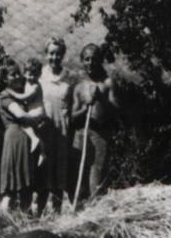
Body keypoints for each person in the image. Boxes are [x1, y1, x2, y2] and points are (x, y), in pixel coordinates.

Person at [70, 44, 120, 202]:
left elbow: (117, 110)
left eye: (94, 59)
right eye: (87, 59)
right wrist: (85, 108)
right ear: (82, 61)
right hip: (81, 134)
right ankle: (78, 212)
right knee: (79, 174)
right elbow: (72, 116)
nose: (90, 63)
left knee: (96, 176)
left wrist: (102, 99)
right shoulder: (79, 87)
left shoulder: (107, 84)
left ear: (100, 61)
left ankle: (95, 211)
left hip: (100, 135)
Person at [0, 57, 47, 212]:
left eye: (18, 73)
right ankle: (2, 222)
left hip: (26, 141)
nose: (18, 76)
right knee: (10, 189)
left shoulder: (25, 90)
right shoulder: (5, 95)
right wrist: (39, 115)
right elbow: (20, 116)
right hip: (14, 140)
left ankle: (23, 225)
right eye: (13, 75)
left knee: (26, 188)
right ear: (5, 78)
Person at [38, 37, 73, 212]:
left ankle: (57, 212)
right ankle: (38, 213)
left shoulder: (68, 77)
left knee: (60, 171)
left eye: (58, 54)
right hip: (44, 128)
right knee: (44, 170)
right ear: (46, 54)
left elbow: (72, 104)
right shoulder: (40, 75)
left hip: (62, 129)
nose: (55, 57)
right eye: (51, 53)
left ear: (63, 55)